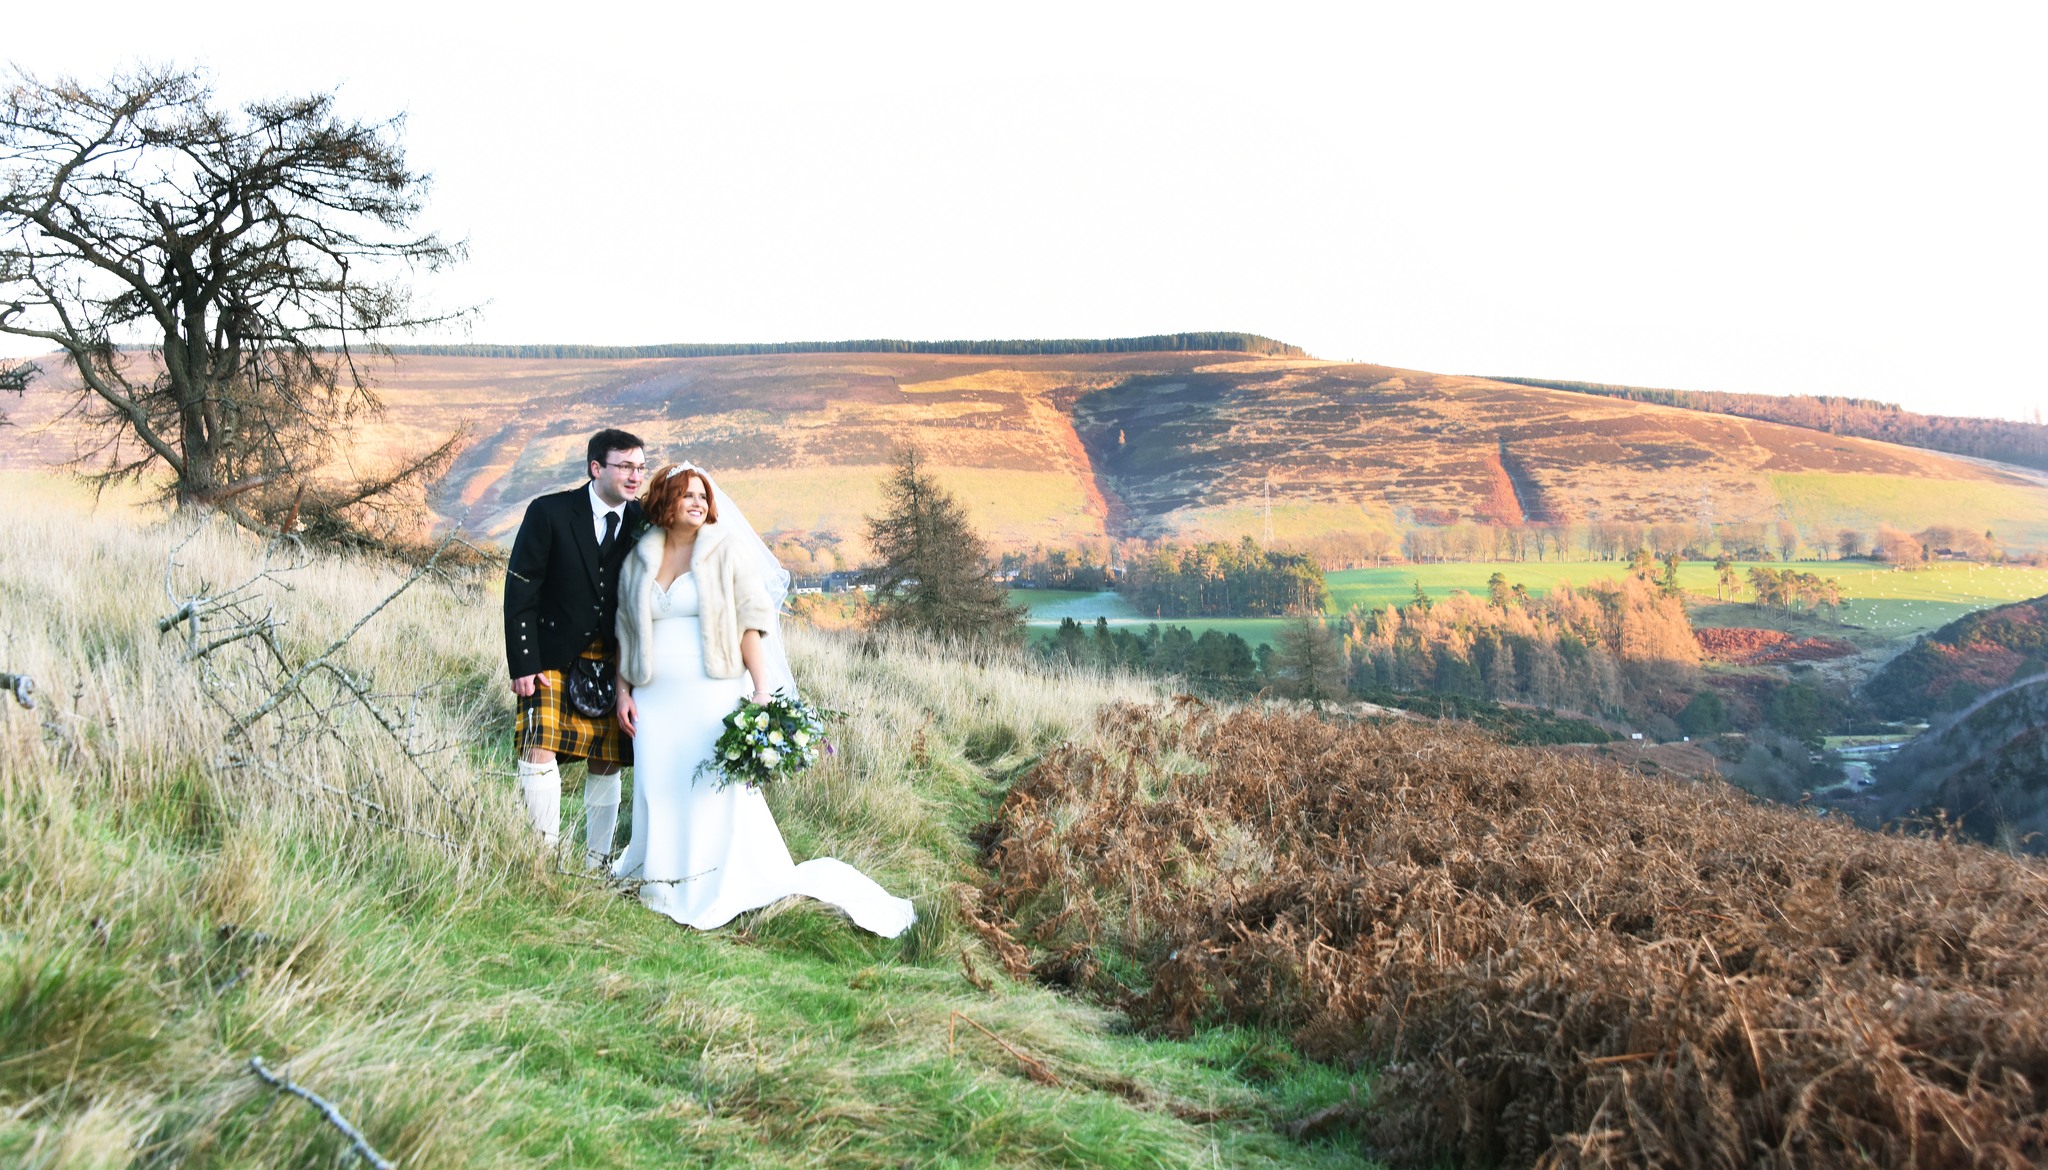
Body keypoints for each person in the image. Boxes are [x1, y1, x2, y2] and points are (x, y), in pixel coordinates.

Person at [612, 462, 916, 937]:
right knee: (661, 784)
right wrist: (624, 691)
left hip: (711, 694)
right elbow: (628, 631)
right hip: (653, 699)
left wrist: (759, 690)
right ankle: (660, 877)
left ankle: (712, 883)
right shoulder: (641, 558)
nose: (697, 503)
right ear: (664, 502)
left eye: (703, 496)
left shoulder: (723, 554)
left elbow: (750, 627)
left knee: (709, 788)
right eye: (686, 494)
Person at [503, 428, 647, 865]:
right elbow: (521, 589)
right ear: (596, 468)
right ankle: (543, 855)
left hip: (615, 660)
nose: (634, 475)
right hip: (554, 656)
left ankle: (597, 861)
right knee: (538, 745)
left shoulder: (644, 521)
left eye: (640, 467)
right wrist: (523, 661)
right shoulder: (549, 512)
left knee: (607, 758)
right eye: (624, 466)